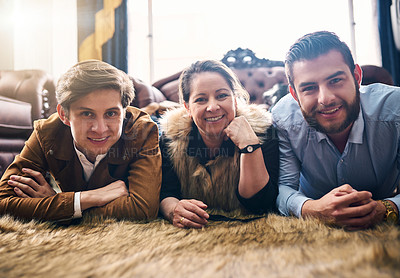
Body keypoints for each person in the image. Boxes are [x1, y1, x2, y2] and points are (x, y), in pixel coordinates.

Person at [0, 60, 161, 223]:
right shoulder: (47, 132)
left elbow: (143, 209)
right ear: (64, 114)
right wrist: (85, 199)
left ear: (124, 112)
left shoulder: (143, 131)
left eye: (111, 114)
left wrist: (59, 206)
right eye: (87, 114)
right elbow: (3, 202)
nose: (100, 129)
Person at [272, 31, 400, 230]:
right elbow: (283, 187)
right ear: (294, 95)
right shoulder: (283, 118)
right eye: (309, 88)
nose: (325, 98)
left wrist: (386, 208)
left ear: (357, 77)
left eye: (335, 81)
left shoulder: (396, 109)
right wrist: (311, 209)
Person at [159, 60, 279, 229]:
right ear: (187, 108)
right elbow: (165, 192)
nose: (213, 107)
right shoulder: (171, 137)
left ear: (235, 101)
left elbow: (260, 204)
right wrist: (172, 209)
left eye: (222, 96)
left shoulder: (264, 132)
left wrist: (249, 145)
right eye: (201, 99)